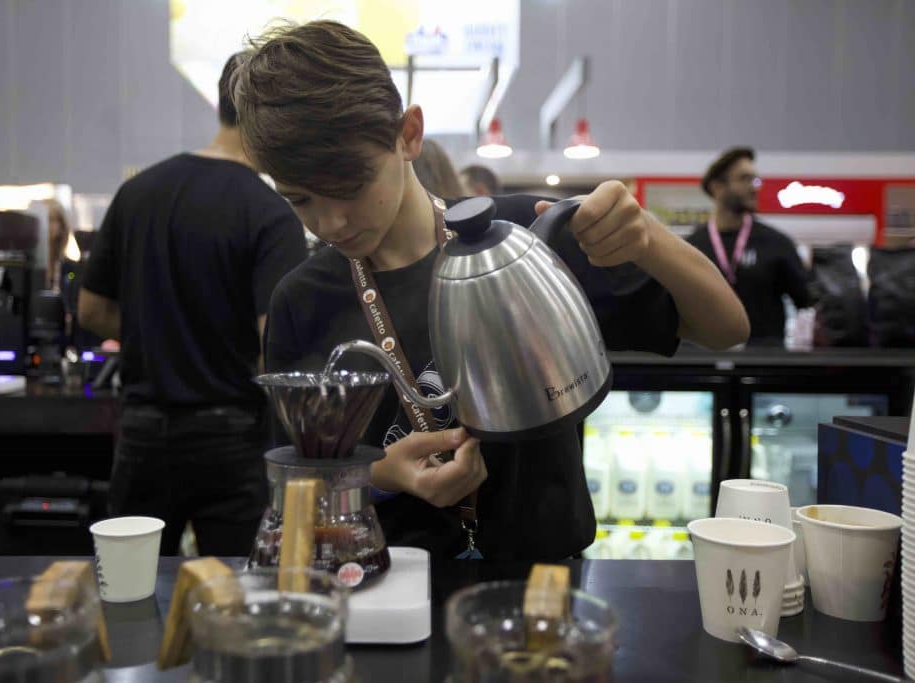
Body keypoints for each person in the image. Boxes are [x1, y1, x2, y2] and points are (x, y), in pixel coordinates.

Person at [234, 20, 749, 561]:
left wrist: (647, 237)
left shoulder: (525, 239)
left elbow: (725, 328)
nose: (331, 222)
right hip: (383, 582)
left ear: (408, 135)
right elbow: (295, 487)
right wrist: (380, 474)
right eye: (300, 200)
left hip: (544, 580)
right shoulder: (302, 300)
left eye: (350, 187)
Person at [78, 51, 309, 556]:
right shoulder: (270, 212)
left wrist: (154, 333)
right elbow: (274, 347)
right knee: (236, 588)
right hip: (231, 440)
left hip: (141, 432)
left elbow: (91, 310)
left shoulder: (137, 192)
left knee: (130, 581)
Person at [686, 147, 814, 347]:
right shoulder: (692, 246)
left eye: (755, 180)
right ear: (718, 187)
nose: (754, 188)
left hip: (763, 360)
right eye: (744, 179)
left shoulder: (777, 243)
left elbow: (807, 302)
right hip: (706, 360)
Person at [43, 198, 71, 291]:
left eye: (54, 220)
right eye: (49, 219)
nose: (49, 225)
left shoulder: (66, 265)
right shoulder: (32, 264)